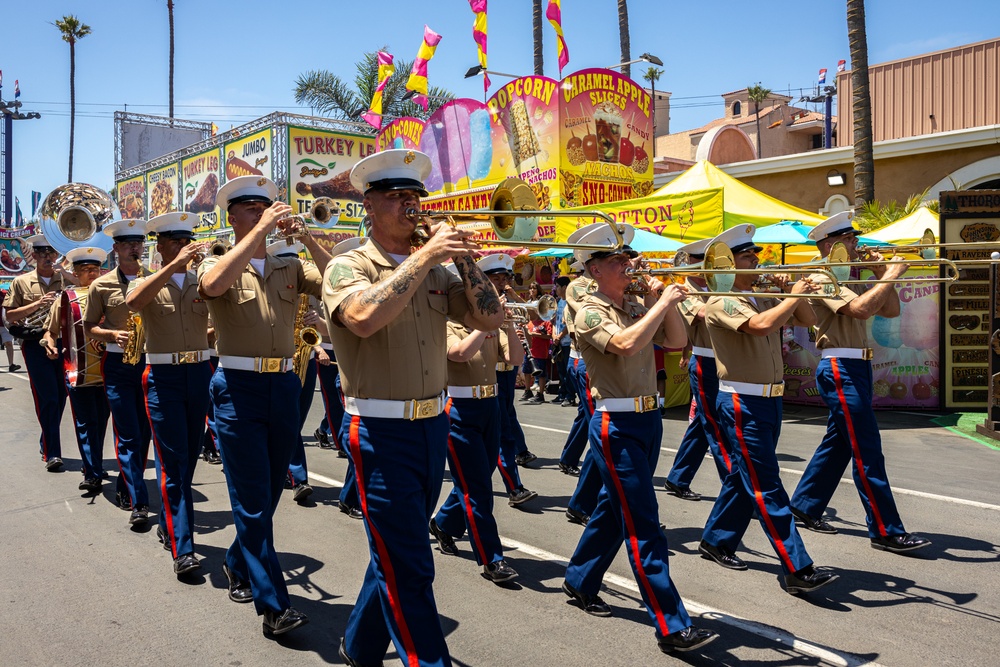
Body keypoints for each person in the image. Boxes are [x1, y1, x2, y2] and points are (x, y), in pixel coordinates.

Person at [323, 149, 504, 667]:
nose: (413, 206)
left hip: (432, 426)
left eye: (416, 197)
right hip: (380, 431)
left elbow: (489, 320)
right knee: (410, 563)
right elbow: (360, 317)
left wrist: (465, 256)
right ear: (370, 205)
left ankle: (360, 645)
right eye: (399, 197)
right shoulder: (349, 264)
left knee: (395, 548)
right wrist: (426, 257)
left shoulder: (438, 268)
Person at [561, 221, 718, 654]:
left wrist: (656, 298)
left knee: (616, 510)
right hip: (618, 424)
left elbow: (676, 339)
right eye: (616, 260)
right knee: (644, 522)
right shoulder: (590, 310)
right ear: (593, 270)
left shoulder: (633, 305)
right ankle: (672, 624)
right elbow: (628, 345)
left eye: (627, 257)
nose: (628, 264)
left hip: (648, 421)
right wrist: (662, 300)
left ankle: (579, 578)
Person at [198, 175, 330, 637]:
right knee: (252, 500)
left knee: (272, 490)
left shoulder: (288, 265)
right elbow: (213, 286)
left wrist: (308, 236)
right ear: (231, 216)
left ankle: (238, 560)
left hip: (283, 384)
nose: (261, 214)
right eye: (251, 209)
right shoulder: (217, 260)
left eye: (266, 207)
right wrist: (258, 234)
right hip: (236, 386)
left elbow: (337, 280)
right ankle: (273, 605)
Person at [699, 224, 838, 594]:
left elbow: (807, 320)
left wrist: (791, 290)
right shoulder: (721, 299)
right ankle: (797, 567)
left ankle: (716, 539)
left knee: (745, 475)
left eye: (755, 254)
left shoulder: (761, 295)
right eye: (748, 256)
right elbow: (760, 328)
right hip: (742, 401)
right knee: (767, 486)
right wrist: (790, 296)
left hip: (768, 399)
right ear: (729, 264)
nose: (757, 260)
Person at [791, 212, 931, 554]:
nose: (857, 245)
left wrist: (884, 275)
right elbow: (859, 311)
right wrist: (893, 273)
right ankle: (886, 530)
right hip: (840, 366)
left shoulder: (850, 277)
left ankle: (805, 505)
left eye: (854, 239)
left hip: (858, 366)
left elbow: (891, 311)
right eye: (850, 239)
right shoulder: (821, 275)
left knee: (839, 443)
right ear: (829, 244)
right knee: (867, 448)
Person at [125, 212, 212, 576]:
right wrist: (172, 266)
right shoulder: (146, 281)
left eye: (186, 241)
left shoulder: (204, 281)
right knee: (173, 461)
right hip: (163, 376)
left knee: (189, 458)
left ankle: (170, 523)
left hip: (200, 373)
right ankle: (183, 547)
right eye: (174, 242)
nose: (182, 248)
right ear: (159, 247)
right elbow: (133, 303)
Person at [428, 297, 522, 582]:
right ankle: (491, 559)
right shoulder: (445, 322)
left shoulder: (494, 326)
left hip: (490, 406)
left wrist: (509, 325)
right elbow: (458, 354)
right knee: (478, 488)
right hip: (458, 409)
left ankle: (444, 524)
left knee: (478, 476)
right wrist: (484, 326)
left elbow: (515, 359)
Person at [84, 219, 153, 523]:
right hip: (118, 364)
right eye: (127, 243)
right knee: (128, 433)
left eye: (138, 243)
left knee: (146, 432)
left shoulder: (155, 278)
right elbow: (89, 327)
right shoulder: (101, 285)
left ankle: (127, 485)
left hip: (150, 362)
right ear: (116, 249)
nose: (134, 248)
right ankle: (139, 502)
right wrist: (112, 335)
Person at [663, 238, 733, 501]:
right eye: (703, 262)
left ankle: (678, 477)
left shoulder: (720, 284)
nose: (707, 268)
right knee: (716, 424)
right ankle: (734, 486)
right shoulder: (685, 289)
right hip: (705, 362)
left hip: (724, 360)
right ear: (691, 263)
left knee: (704, 424)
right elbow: (704, 314)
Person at [40, 247, 111, 491]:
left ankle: (94, 463)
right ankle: (92, 472)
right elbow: (51, 332)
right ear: (75, 273)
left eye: (95, 269)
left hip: (109, 370)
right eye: (85, 270)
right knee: (85, 422)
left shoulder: (110, 294)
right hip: (79, 371)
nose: (92, 273)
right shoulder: (66, 298)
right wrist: (50, 345)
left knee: (101, 421)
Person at [3, 235, 68, 469]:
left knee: (61, 396)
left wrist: (67, 273)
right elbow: (9, 316)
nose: (47, 258)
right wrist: (37, 304)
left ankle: (46, 438)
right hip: (36, 344)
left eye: (51, 252)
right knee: (48, 397)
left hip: (64, 343)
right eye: (42, 253)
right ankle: (53, 452)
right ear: (34, 256)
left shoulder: (65, 279)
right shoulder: (22, 282)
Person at [478, 254, 537, 506]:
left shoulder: (507, 302)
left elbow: (534, 317)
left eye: (504, 278)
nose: (501, 283)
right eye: (496, 278)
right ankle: (514, 488)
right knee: (502, 434)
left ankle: (460, 503)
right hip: (490, 373)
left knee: (503, 429)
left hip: (508, 371)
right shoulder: (479, 305)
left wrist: (511, 304)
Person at [524, 298, 552, 404]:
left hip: (540, 352)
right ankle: (527, 391)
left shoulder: (546, 322)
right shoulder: (530, 322)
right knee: (526, 371)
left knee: (541, 374)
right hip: (529, 351)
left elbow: (549, 336)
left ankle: (540, 394)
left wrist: (535, 335)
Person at [552, 276, 574, 405]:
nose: (556, 289)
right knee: (560, 371)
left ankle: (570, 396)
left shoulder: (570, 302)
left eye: (558, 286)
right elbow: (555, 321)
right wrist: (555, 335)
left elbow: (569, 323)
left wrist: (560, 336)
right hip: (559, 341)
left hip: (567, 342)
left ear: (565, 287)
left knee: (568, 370)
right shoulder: (559, 301)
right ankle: (562, 393)